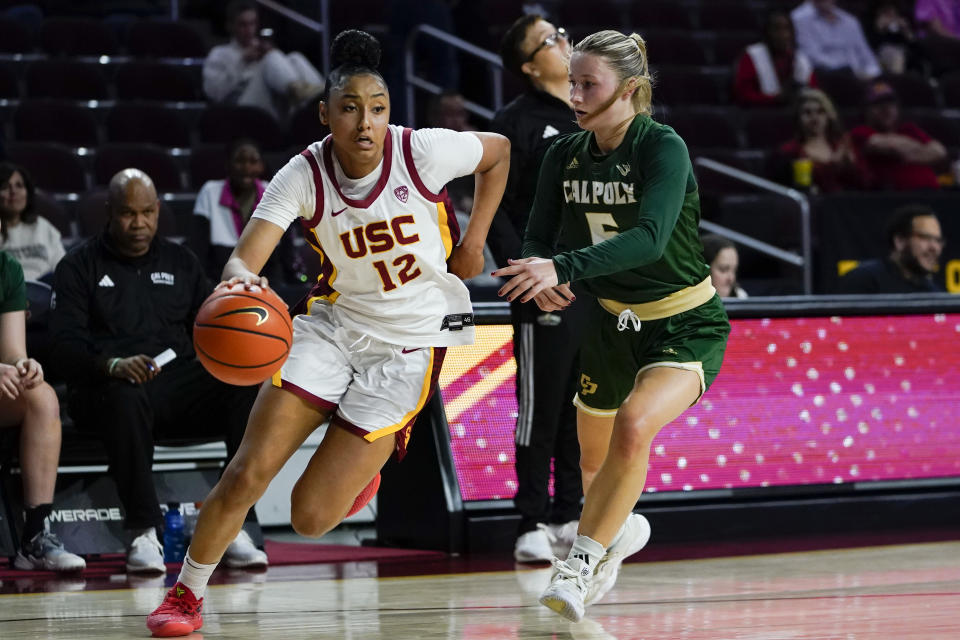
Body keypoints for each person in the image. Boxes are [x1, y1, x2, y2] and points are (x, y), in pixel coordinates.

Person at [145, 29, 509, 637]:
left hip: (411, 345)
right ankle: (185, 593)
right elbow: (243, 258)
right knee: (248, 469)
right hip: (334, 327)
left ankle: (360, 468)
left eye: (377, 108)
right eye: (349, 108)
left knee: (311, 518)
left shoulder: (422, 151)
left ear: (389, 112)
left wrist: (474, 241)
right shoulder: (302, 173)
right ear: (326, 113)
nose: (365, 122)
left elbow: (497, 151)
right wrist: (236, 285)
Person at [493, 30, 730, 622]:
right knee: (593, 463)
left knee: (634, 424)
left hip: (683, 321)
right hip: (609, 326)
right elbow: (538, 239)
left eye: (587, 83)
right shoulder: (561, 154)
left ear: (629, 89)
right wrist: (541, 276)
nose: (573, 94)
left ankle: (576, 564)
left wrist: (566, 267)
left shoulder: (662, 147)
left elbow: (650, 241)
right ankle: (618, 538)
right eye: (571, 81)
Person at [49, 169, 264, 576]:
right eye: (129, 214)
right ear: (109, 213)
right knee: (124, 395)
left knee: (247, 386)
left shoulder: (181, 262)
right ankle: (143, 532)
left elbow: (213, 327)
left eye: (148, 212)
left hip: (175, 385)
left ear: (158, 211)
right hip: (105, 388)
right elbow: (62, 348)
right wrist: (111, 365)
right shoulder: (79, 266)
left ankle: (228, 520)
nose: (140, 223)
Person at [491, 13, 586, 564]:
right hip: (542, 287)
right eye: (549, 40)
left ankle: (569, 514)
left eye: (561, 33)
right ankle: (530, 519)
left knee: (584, 404)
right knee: (540, 408)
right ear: (530, 66)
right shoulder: (515, 122)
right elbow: (496, 207)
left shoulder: (591, 112)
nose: (564, 41)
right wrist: (526, 273)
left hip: (591, 284)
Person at [0, 222, 85, 573]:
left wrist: (24, 365)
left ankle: (34, 538)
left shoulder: (8, 269)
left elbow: (11, 350)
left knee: (41, 396)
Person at [191, 138, 305, 304]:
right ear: (228, 164)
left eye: (253, 161)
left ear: (261, 166)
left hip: (270, 289)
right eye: (240, 161)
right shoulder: (209, 192)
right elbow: (198, 253)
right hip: (221, 289)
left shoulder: (273, 191)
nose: (246, 167)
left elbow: (287, 255)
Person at [203, 0, 324, 122]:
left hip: (274, 102)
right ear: (230, 26)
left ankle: (322, 95)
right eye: (243, 25)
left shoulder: (262, 48)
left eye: (252, 23)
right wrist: (242, 61)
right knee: (271, 58)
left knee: (295, 57)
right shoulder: (219, 53)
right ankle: (301, 92)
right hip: (241, 106)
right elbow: (214, 93)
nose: (249, 29)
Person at [849, 80, 947, 190]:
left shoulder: (908, 129)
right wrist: (921, 150)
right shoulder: (860, 132)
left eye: (890, 103)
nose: (886, 109)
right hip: (893, 199)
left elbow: (939, 151)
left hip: (932, 194)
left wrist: (903, 154)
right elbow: (883, 145)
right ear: (866, 110)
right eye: (878, 104)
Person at [837, 204, 945, 293]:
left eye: (938, 240)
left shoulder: (934, 293)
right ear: (900, 241)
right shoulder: (864, 280)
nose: (934, 247)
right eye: (925, 238)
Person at [776, 88, 866, 193]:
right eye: (807, 113)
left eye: (820, 112)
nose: (814, 118)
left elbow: (865, 185)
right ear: (798, 118)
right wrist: (832, 167)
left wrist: (853, 166)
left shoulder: (843, 147)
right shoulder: (788, 152)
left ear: (829, 116)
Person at [733, 10, 817, 107]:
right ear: (767, 32)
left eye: (787, 29)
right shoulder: (752, 56)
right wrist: (775, 99)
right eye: (777, 29)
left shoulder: (801, 60)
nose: (783, 35)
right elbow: (743, 96)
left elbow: (815, 94)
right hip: (762, 114)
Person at [0, 163, 65, 282]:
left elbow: (63, 271)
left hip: (45, 292)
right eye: (5, 187)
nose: (13, 191)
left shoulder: (43, 226)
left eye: (19, 185)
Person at [791, 0, 882, 79]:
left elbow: (867, 56)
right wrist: (848, 71)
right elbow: (812, 56)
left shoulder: (850, 21)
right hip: (829, 76)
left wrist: (872, 73)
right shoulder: (799, 19)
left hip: (860, 76)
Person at [701, 234, 748, 299]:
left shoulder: (740, 296)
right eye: (723, 270)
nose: (731, 278)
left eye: (734, 270)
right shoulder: (687, 302)